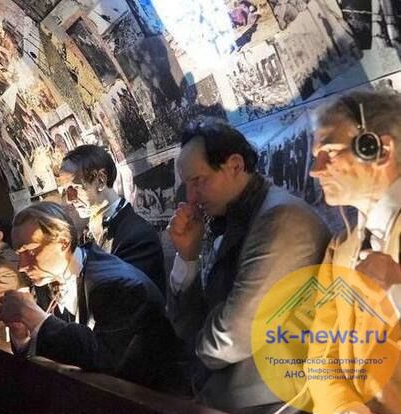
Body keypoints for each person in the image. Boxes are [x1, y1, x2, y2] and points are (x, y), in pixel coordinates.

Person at [166, 117, 330, 412]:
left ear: (235, 165)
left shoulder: (282, 220)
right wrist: (188, 257)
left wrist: (192, 349)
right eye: (187, 184)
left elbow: (234, 336)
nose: (190, 197)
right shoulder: (234, 219)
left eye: (199, 180)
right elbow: (192, 324)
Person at [0, 202, 187, 393]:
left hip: (153, 399)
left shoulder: (117, 285)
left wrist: (34, 317)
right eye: (19, 254)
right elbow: (63, 349)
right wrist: (23, 337)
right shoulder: (47, 277)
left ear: (63, 242)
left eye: (30, 251)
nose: (22, 266)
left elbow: (106, 359)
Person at [307, 90, 401, 414]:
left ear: (380, 149)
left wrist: (396, 287)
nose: (315, 170)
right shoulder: (340, 250)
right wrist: (343, 407)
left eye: (329, 152)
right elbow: (321, 354)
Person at [57, 144, 166, 295]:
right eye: (65, 191)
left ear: (101, 180)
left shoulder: (137, 236)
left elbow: (125, 298)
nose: (69, 199)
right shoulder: (86, 234)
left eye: (74, 188)